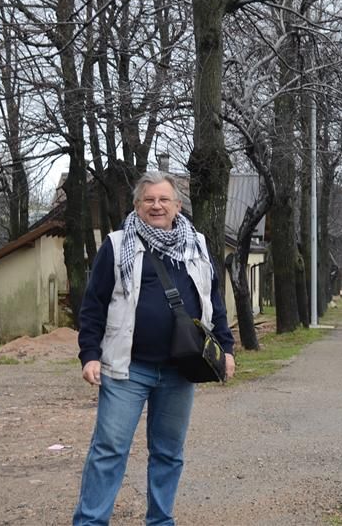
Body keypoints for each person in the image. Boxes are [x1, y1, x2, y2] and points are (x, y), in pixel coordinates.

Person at [73, 171, 236, 526]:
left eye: (164, 200)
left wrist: (227, 348)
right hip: (127, 369)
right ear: (137, 205)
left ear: (178, 206)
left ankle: (160, 520)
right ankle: (89, 522)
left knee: (168, 453)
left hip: (182, 369)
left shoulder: (197, 244)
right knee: (109, 450)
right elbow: (93, 305)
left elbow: (213, 300)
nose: (157, 206)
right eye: (149, 200)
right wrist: (89, 355)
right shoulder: (117, 246)